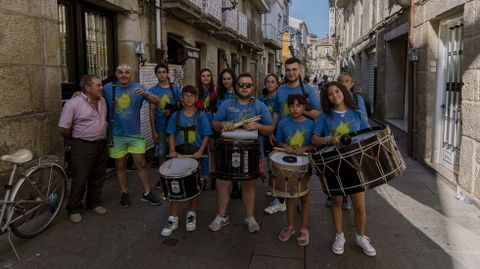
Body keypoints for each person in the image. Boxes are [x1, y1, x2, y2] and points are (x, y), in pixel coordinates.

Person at [312, 81, 376, 257]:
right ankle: (339, 235)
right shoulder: (324, 117)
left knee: (360, 206)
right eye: (330, 94)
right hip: (334, 164)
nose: (334, 95)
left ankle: (361, 237)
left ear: (344, 93)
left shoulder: (356, 114)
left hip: (355, 163)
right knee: (337, 202)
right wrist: (330, 140)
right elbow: (315, 139)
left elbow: (367, 135)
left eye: (337, 91)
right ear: (327, 98)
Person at [209, 72, 274, 233]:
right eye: (241, 85)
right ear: (236, 86)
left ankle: (249, 217)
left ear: (254, 87)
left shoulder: (259, 105)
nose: (244, 88)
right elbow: (215, 124)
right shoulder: (226, 104)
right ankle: (222, 215)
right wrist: (223, 123)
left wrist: (258, 127)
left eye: (248, 85)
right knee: (223, 183)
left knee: (248, 184)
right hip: (227, 149)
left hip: (251, 150)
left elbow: (270, 128)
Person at [103, 64, 162, 208]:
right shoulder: (108, 88)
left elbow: (157, 101)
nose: (124, 75)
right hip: (117, 135)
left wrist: (146, 94)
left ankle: (147, 193)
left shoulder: (139, 88)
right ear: (116, 74)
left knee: (141, 164)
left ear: (131, 74)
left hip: (135, 134)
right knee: (120, 165)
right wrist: (78, 94)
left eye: (127, 72)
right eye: (120, 72)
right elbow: (92, 92)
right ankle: (124, 193)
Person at [160, 85, 212, 237]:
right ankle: (173, 218)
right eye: (185, 96)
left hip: (195, 156)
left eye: (192, 96)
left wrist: (200, 151)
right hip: (180, 155)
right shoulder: (176, 116)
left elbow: (206, 136)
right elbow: (171, 134)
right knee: (174, 186)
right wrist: (172, 150)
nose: (188, 98)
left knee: (194, 186)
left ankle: (191, 213)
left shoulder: (201, 116)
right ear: (181, 99)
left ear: (196, 98)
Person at [58, 74, 108, 223]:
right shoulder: (73, 103)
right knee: (80, 178)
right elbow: (62, 128)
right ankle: (74, 208)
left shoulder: (103, 101)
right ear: (87, 87)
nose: (101, 87)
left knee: (98, 176)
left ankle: (94, 202)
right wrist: (75, 138)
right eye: (98, 85)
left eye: (101, 84)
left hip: (101, 144)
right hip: (82, 145)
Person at [275, 94, 314, 247]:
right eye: (292, 106)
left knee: (305, 197)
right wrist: (284, 146)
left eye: (298, 105)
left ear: (304, 107)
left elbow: (314, 144)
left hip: (305, 165)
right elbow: (278, 140)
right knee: (290, 196)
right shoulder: (283, 123)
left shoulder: (311, 124)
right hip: (288, 165)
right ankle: (290, 226)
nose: (295, 108)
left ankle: (304, 229)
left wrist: (304, 148)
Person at [148, 63, 182, 186]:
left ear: (167, 73)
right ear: (156, 74)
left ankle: (176, 175)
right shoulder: (153, 90)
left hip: (174, 126)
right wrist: (153, 131)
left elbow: (182, 105)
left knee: (176, 151)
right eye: (159, 72)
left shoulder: (175, 88)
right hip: (160, 126)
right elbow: (151, 111)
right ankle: (163, 177)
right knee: (161, 153)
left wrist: (172, 111)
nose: (162, 74)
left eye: (164, 72)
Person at [260, 74, 285, 215]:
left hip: (277, 133)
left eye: (272, 82)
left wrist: (272, 131)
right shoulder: (261, 99)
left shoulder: (280, 98)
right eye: (268, 82)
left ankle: (278, 190)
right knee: (268, 162)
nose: (270, 84)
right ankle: (272, 187)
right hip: (264, 133)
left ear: (277, 84)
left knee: (276, 162)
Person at [273, 57, 321, 122]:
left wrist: (301, 110)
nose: (291, 73)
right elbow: (276, 112)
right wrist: (273, 128)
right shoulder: (280, 90)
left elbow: (318, 114)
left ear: (300, 70)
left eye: (294, 69)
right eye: (288, 70)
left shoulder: (308, 90)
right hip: (283, 130)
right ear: (285, 71)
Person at [216, 69, 240, 196]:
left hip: (239, 129)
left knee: (237, 156)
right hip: (225, 130)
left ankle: (237, 185)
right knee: (228, 157)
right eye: (224, 79)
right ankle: (229, 184)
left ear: (233, 79)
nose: (226, 81)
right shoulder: (219, 94)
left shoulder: (239, 92)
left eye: (229, 79)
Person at [196, 68, 217, 189]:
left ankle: (213, 175)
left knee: (213, 149)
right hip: (200, 122)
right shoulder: (197, 91)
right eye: (203, 76)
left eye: (208, 75)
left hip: (212, 120)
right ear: (200, 77)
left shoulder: (215, 91)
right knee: (202, 150)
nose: (206, 78)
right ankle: (202, 177)